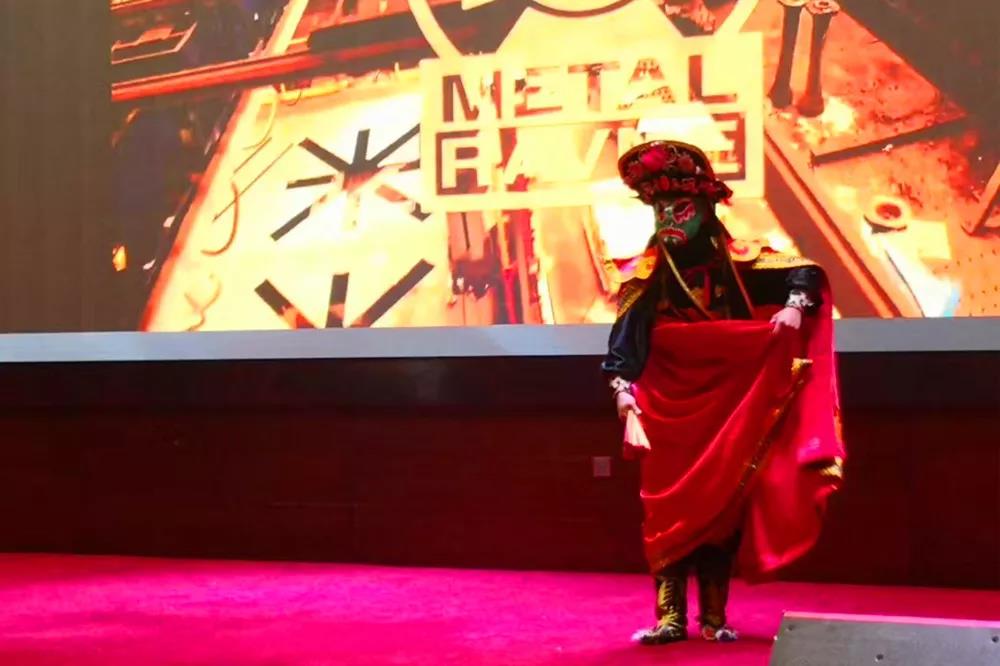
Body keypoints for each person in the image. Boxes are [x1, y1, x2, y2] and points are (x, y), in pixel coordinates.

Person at [601, 140, 845, 645]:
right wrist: (623, 393)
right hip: (667, 407)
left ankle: (714, 617)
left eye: (679, 209)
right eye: (661, 210)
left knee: (722, 506)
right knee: (664, 508)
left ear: (706, 209)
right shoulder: (646, 276)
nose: (669, 219)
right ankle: (670, 617)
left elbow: (805, 274)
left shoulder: (742, 261)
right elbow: (625, 341)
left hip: (727, 407)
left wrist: (794, 304)